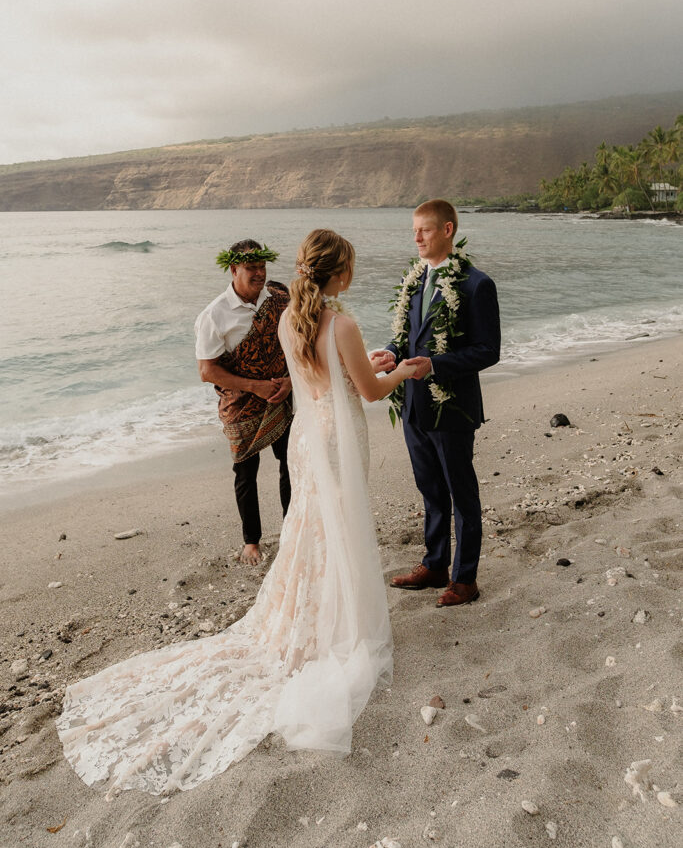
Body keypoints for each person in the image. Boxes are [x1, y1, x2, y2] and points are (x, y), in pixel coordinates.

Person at [56, 229, 416, 796]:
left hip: (306, 435)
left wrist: (367, 365)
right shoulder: (340, 323)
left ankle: (310, 615)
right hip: (337, 438)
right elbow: (368, 392)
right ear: (339, 273)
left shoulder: (288, 319)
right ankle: (334, 627)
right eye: (350, 264)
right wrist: (406, 371)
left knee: (309, 527)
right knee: (335, 526)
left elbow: (321, 376)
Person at [371, 199, 500, 607]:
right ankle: (435, 564)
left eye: (424, 230)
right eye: (414, 230)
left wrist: (437, 365)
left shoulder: (477, 284)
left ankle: (465, 579)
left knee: (462, 494)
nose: (416, 237)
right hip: (413, 405)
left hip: (453, 407)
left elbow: (488, 350)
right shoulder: (414, 281)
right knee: (429, 489)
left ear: (447, 230)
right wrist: (392, 353)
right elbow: (407, 336)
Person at [195, 239, 292, 565]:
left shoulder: (281, 299)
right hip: (240, 405)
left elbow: (300, 343)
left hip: (282, 395)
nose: (259, 273)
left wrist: (290, 382)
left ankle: (292, 530)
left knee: (290, 463)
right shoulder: (214, 315)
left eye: (263, 267)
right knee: (245, 471)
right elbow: (207, 371)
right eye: (251, 267)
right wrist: (256, 386)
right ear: (233, 269)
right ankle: (251, 541)